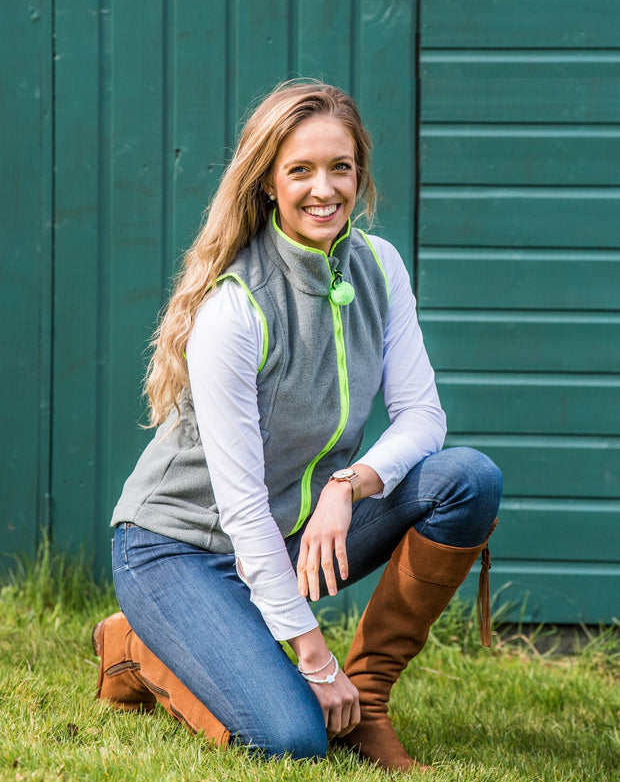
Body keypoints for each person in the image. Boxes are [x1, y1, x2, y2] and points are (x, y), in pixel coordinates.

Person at [93, 81, 502, 773]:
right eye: (300, 170)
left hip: (297, 527)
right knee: (293, 737)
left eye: (340, 167)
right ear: (269, 184)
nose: (325, 190)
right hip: (179, 548)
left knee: (466, 478)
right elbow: (242, 505)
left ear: (359, 172)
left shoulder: (380, 267)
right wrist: (314, 658)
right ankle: (135, 644)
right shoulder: (235, 307)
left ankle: (365, 700)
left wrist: (349, 483)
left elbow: (424, 416)